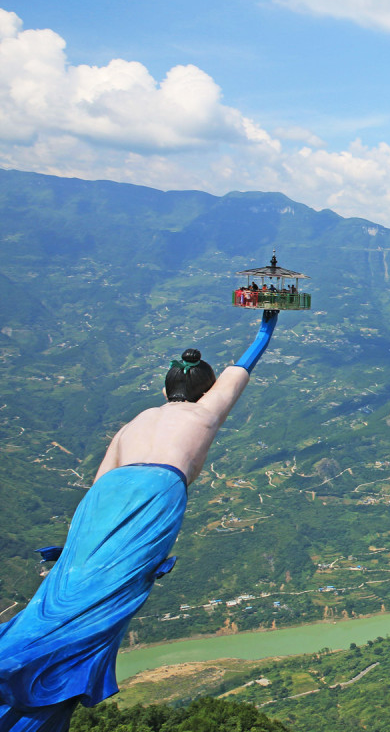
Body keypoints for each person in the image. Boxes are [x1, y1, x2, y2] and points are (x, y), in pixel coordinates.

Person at [0, 310, 280, 732]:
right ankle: (38, 690)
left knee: (72, 589)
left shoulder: (134, 423)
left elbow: (98, 486)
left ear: (166, 388)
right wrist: (267, 326)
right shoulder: (204, 413)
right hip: (156, 492)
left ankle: (23, 661)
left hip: (104, 499)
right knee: (108, 601)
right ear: (205, 391)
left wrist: (72, 550)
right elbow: (241, 369)